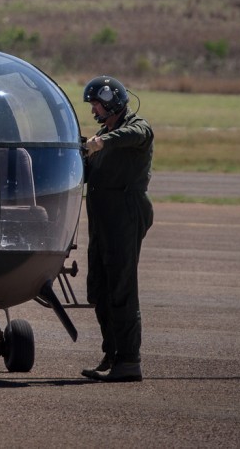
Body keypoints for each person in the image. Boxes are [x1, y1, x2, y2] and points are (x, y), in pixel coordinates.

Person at [80, 76, 153, 383]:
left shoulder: (136, 129)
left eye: (96, 103)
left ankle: (128, 361)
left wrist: (102, 142)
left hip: (125, 215)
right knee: (99, 288)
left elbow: (135, 134)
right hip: (102, 219)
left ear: (111, 102)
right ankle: (112, 355)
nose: (94, 108)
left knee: (121, 289)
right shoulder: (101, 134)